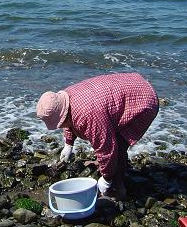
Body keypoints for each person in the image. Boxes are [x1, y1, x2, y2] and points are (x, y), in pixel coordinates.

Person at [36, 72, 159, 200]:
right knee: (107, 138)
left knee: (118, 146)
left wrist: (106, 179)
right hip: (129, 85)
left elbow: (107, 148)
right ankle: (108, 168)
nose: (60, 125)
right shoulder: (64, 98)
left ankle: (116, 189)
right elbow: (67, 121)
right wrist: (69, 144)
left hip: (144, 101)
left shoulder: (87, 115)